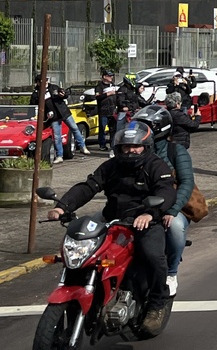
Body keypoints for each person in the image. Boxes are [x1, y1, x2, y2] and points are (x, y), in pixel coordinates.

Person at [47, 121, 176, 336]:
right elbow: (89, 187)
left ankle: (157, 302)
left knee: (153, 255)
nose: (131, 150)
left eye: (136, 146)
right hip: (113, 221)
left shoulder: (156, 166)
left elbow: (166, 191)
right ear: (119, 147)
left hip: (145, 220)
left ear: (146, 147)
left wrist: (150, 214)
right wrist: (63, 207)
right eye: (126, 146)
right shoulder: (111, 166)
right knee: (87, 251)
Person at [131, 105, 195, 299]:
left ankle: (171, 272)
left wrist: (172, 210)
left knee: (175, 227)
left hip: (171, 205)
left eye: (145, 126)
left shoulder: (176, 151)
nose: (139, 131)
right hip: (141, 205)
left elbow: (186, 183)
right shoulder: (135, 150)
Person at [31, 73, 89, 163]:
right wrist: (40, 98)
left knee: (74, 128)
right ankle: (59, 156)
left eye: (46, 80)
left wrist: (63, 94)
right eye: (43, 81)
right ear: (38, 82)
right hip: (53, 116)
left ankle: (82, 146)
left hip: (64, 112)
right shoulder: (36, 93)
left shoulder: (53, 87)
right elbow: (32, 104)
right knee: (57, 136)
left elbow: (65, 94)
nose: (46, 82)